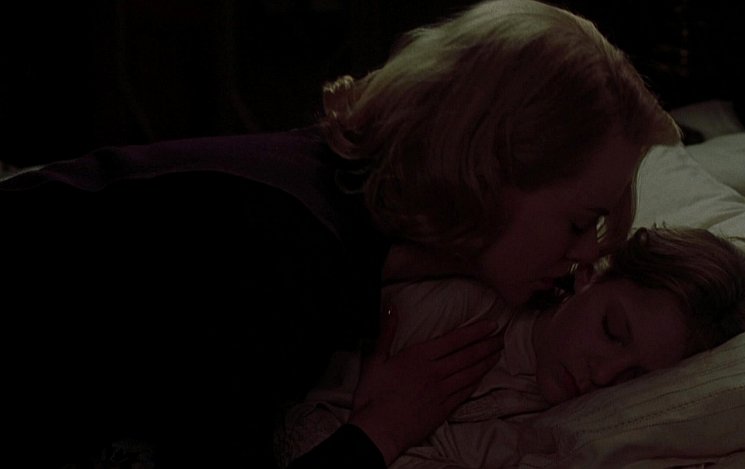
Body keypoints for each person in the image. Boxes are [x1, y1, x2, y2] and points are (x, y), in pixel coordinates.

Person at [1, 1, 679, 468]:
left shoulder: (354, 215)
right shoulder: (288, 245)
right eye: (578, 221)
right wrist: (380, 430)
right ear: (489, 171)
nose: (589, 251)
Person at [281, 227, 745, 467]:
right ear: (590, 276)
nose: (603, 376)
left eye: (635, 376)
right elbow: (297, 430)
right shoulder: (461, 310)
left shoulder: (567, 426)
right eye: (611, 330)